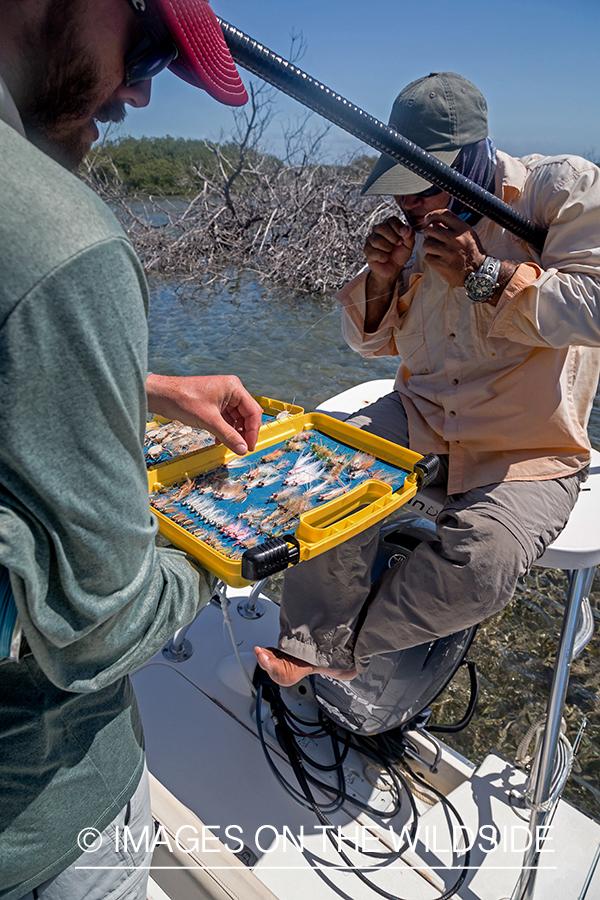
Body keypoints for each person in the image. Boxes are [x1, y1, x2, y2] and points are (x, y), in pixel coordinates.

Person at [0, 1, 261, 898]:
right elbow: (101, 630)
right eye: (146, 45)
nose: (142, 95)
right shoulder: (63, 241)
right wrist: (230, 544)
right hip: (41, 825)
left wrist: (151, 388)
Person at [255, 71, 600, 688]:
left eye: (421, 187)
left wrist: (487, 276)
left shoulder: (562, 189)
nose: (408, 204)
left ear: (474, 157)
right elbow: (368, 344)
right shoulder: (417, 226)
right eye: (399, 190)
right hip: (420, 413)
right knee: (317, 471)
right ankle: (313, 640)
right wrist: (383, 277)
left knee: (485, 565)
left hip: (528, 449)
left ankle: (344, 647)